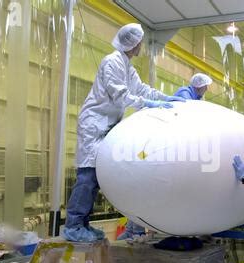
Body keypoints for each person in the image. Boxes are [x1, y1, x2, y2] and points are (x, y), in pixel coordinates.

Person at [62, 23, 185, 243]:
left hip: (107, 125)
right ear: (134, 43)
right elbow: (120, 95)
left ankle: (83, 225)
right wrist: (149, 103)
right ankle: (73, 225)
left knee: (96, 177)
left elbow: (141, 88)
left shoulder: (126, 66)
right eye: (140, 43)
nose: (142, 47)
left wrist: (166, 98)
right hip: (94, 123)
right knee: (88, 176)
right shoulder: (112, 62)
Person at [118, 73, 213, 240]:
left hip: (162, 152)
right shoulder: (185, 96)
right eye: (206, 86)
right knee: (146, 192)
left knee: (146, 193)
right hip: (161, 151)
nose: (207, 89)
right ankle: (134, 230)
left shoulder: (193, 97)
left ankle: (135, 230)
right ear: (200, 86)